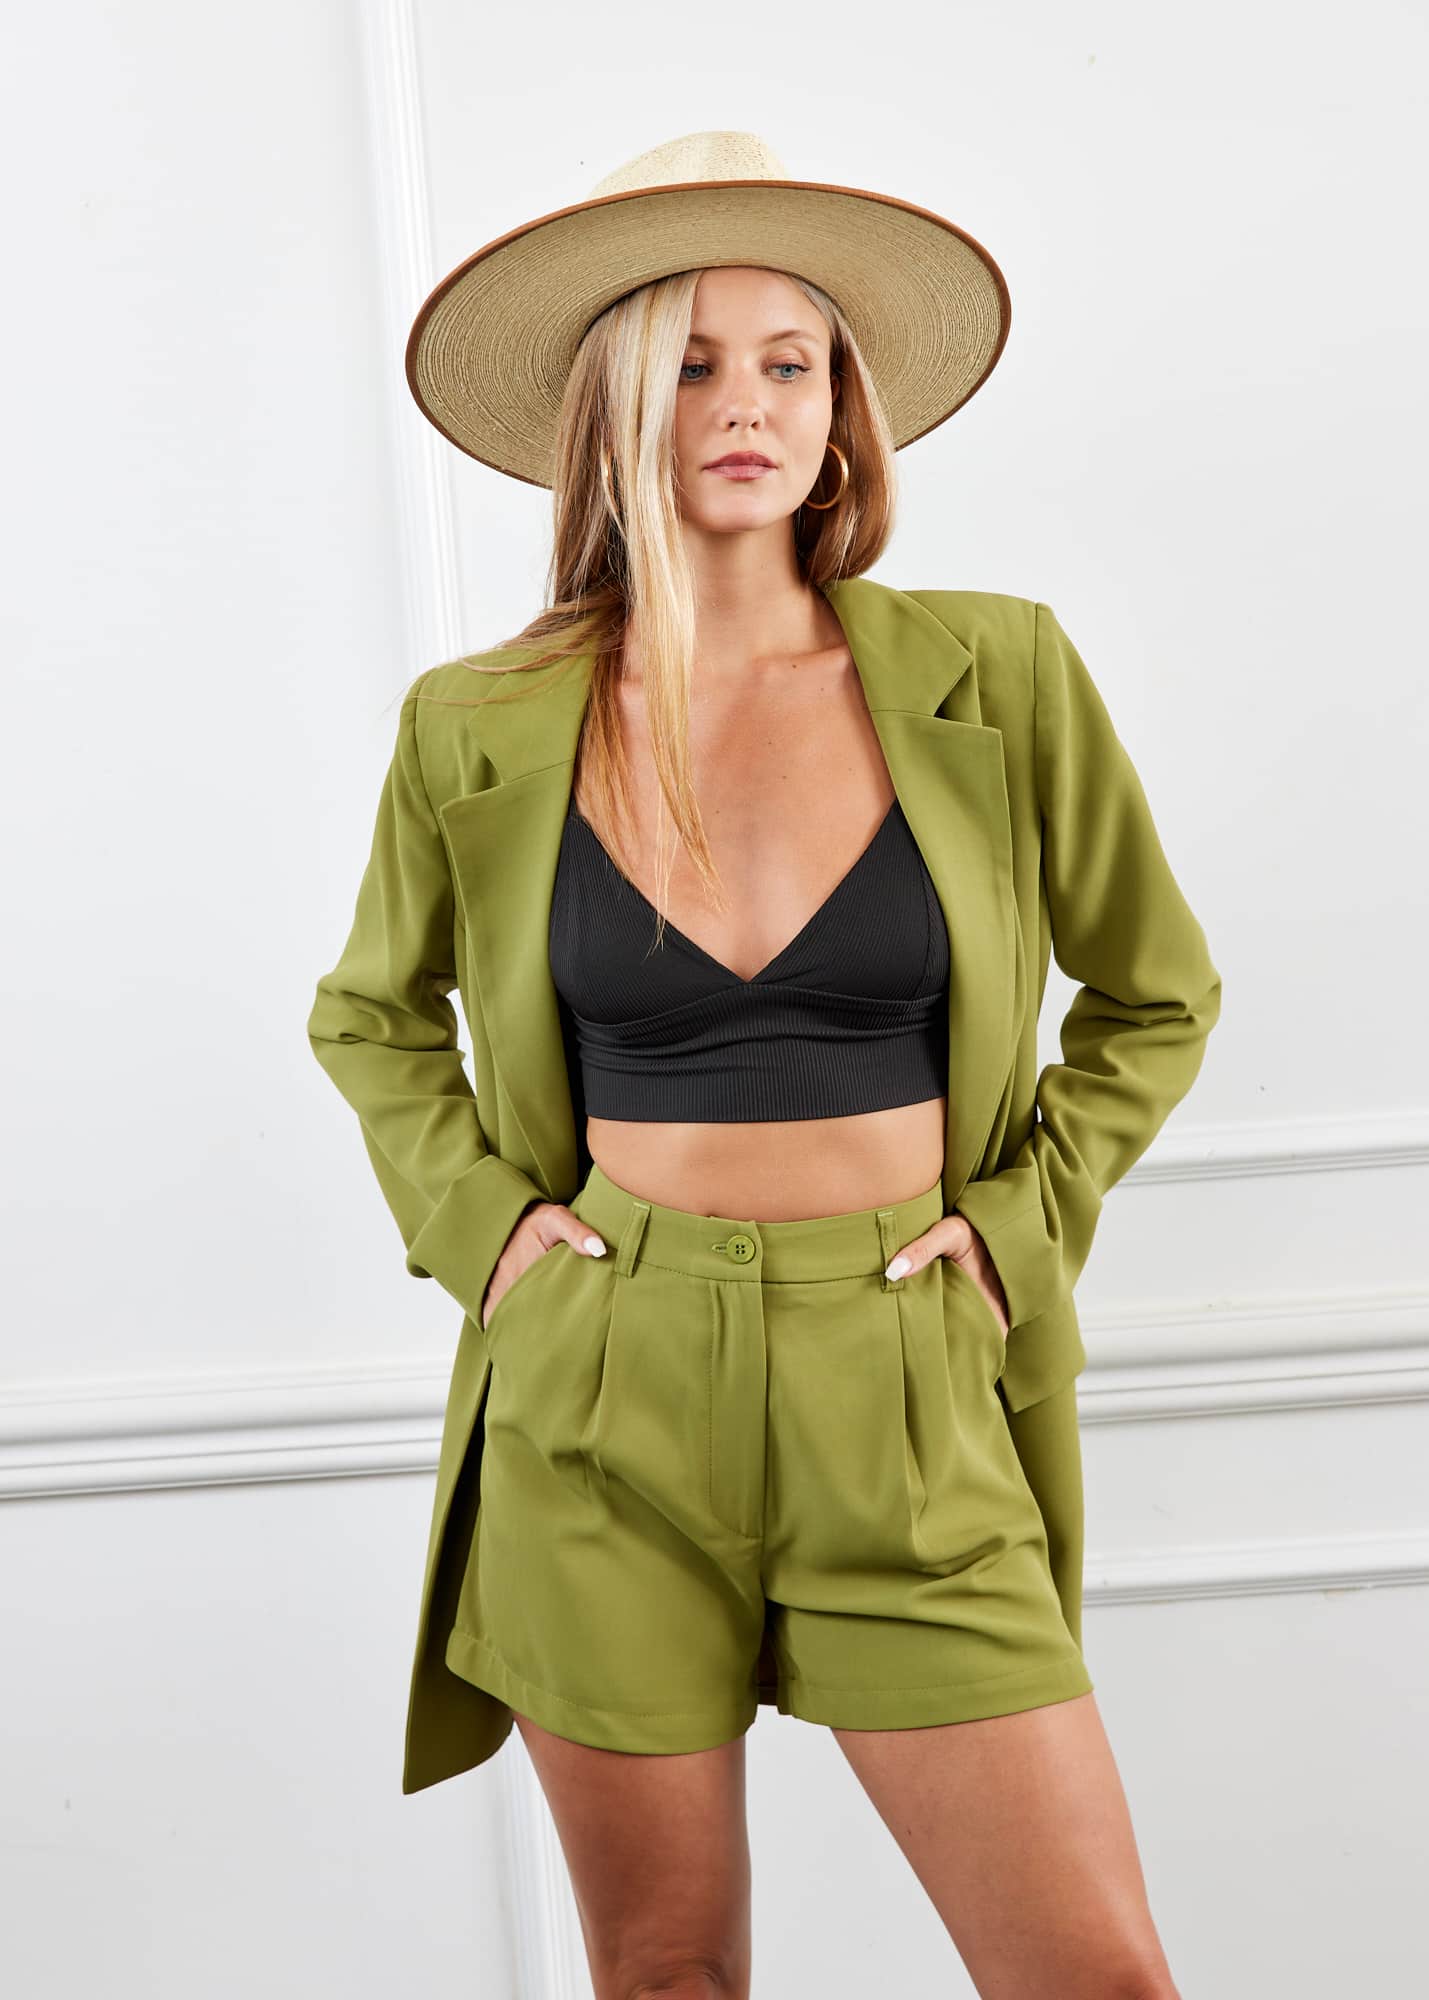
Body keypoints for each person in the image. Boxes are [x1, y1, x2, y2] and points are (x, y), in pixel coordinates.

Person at [308, 130, 1221, 1999]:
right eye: (692, 365)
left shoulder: (996, 674)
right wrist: (492, 1242)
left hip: (905, 1370)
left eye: (788, 362)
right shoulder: (477, 724)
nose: (745, 405)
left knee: (1093, 1976)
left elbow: (1158, 992)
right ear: (613, 412)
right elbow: (370, 1015)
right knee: (666, 1979)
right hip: (602, 1381)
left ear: (840, 410)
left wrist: (1018, 1232)